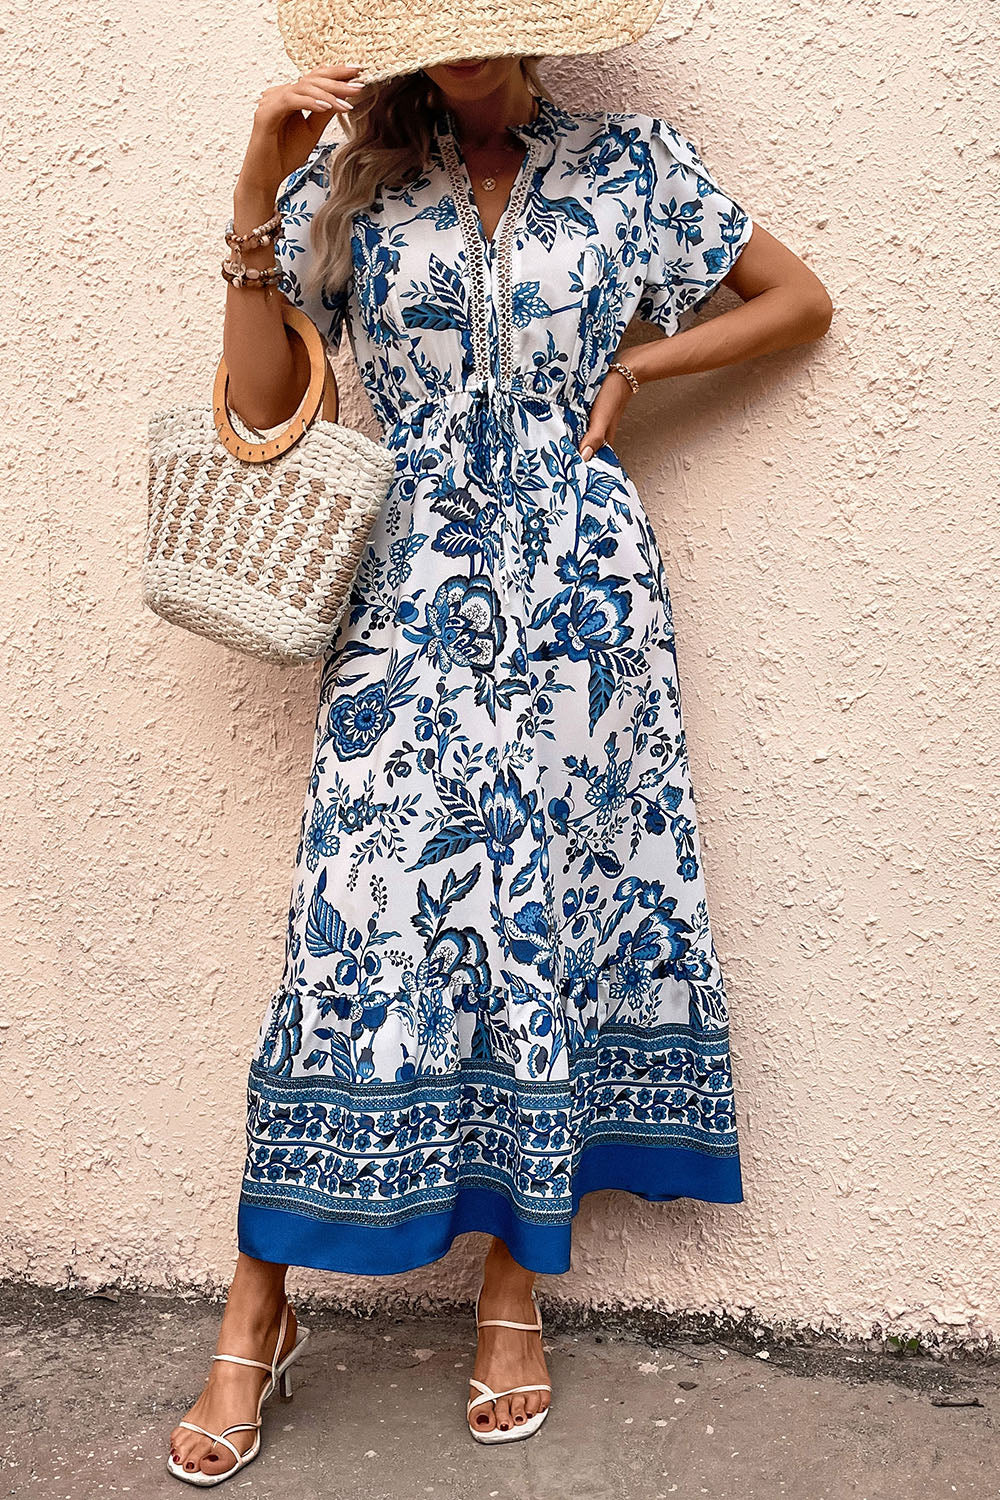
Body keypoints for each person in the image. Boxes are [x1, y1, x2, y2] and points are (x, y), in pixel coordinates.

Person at [167, 12, 832, 1485]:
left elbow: (798, 301)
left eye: (484, 17)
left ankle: (514, 1287)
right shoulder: (341, 186)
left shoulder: (628, 167)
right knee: (358, 932)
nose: (455, 47)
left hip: (586, 601)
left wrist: (648, 371)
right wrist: (249, 197)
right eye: (428, 22)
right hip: (406, 590)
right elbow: (269, 411)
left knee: (556, 921)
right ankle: (255, 1303)